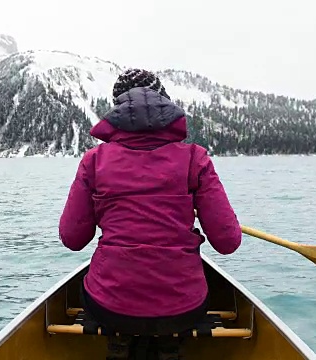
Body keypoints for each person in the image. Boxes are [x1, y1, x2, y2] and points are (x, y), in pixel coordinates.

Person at [58, 68, 242, 360]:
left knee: (106, 299)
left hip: (110, 306)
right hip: (183, 307)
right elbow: (228, 241)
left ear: (117, 110)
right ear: (165, 105)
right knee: (181, 300)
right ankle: (169, 346)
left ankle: (121, 343)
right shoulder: (196, 159)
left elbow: (72, 238)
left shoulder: (93, 161)